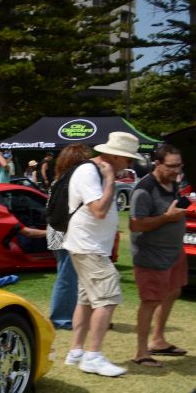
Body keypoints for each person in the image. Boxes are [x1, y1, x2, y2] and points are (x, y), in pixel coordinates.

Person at [63, 131, 145, 377]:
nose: (129, 165)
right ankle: (93, 356)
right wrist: (110, 180)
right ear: (114, 156)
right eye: (128, 159)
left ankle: (77, 351)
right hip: (89, 247)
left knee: (87, 300)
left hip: (88, 245)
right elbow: (99, 210)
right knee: (107, 298)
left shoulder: (93, 171)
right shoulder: (90, 172)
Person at [129, 144, 188, 367]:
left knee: (173, 291)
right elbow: (135, 225)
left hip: (174, 252)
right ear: (157, 163)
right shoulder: (144, 189)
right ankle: (141, 352)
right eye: (171, 166)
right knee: (151, 301)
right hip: (151, 256)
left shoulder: (173, 182)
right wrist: (167, 218)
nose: (176, 170)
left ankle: (158, 340)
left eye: (179, 165)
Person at [46, 144, 90, 330]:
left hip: (56, 231)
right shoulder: (73, 182)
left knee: (68, 275)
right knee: (67, 276)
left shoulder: (58, 181)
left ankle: (73, 315)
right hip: (67, 233)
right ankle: (61, 318)